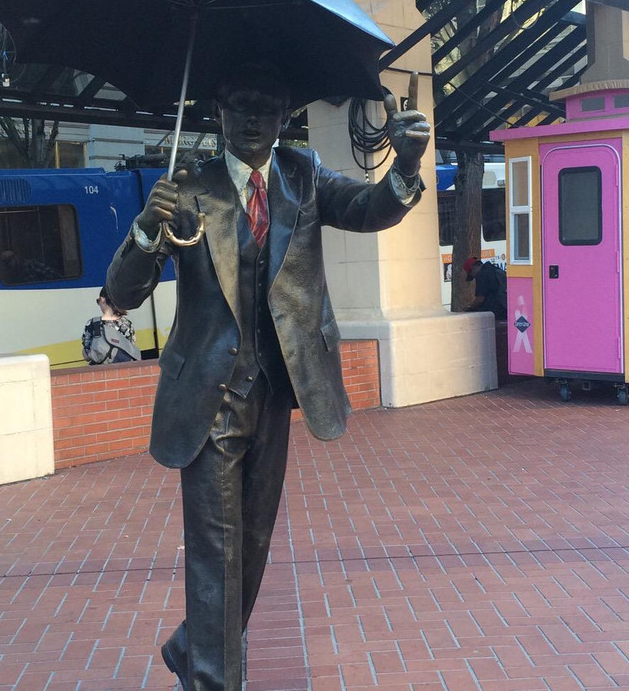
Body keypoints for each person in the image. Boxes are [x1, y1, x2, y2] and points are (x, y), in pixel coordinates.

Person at [106, 62, 429, 691]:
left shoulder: (303, 176)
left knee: (250, 545)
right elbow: (121, 291)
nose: (253, 118)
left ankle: (189, 645)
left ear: (286, 117)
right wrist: (148, 230)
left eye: (267, 107)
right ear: (219, 112)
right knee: (214, 552)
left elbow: (368, 208)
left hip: (276, 391)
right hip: (206, 394)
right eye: (239, 105)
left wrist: (408, 167)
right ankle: (213, 681)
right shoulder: (187, 189)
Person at [81, 288, 141, 365]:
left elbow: (86, 355)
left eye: (98, 301)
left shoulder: (92, 323)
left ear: (102, 300)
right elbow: (131, 349)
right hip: (123, 369)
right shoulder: (127, 324)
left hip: (100, 372)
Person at [463, 256, 508, 320]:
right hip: (504, 308)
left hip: (494, 313)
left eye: (472, 275)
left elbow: (480, 299)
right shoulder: (494, 269)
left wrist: (470, 307)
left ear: (473, 268)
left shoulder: (482, 275)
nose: (474, 277)